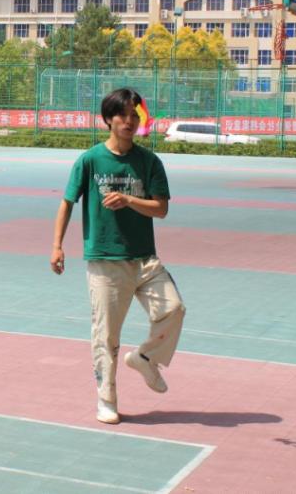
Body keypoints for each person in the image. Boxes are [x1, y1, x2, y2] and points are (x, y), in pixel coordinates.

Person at [50, 88, 185, 426]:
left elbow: (161, 209)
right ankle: (106, 401)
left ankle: (145, 358)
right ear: (108, 119)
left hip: (145, 260)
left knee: (174, 308)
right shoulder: (90, 160)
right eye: (122, 115)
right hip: (105, 261)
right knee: (106, 337)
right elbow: (67, 202)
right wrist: (57, 245)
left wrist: (128, 200)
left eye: (134, 115)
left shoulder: (150, 162)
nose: (129, 121)